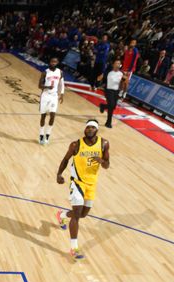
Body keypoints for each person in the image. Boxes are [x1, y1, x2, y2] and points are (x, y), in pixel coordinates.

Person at [54, 120, 110, 260]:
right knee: (77, 215)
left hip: (92, 184)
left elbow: (107, 165)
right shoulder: (76, 144)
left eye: (92, 127)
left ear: (96, 130)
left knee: (83, 214)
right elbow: (65, 159)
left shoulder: (104, 144)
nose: (89, 129)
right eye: (87, 127)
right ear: (85, 129)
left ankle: (61, 215)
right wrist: (59, 174)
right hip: (77, 182)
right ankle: (74, 248)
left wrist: (102, 161)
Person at [38, 57, 64, 145]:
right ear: (50, 62)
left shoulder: (60, 72)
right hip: (45, 95)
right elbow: (39, 85)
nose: (53, 63)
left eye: (55, 62)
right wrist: (47, 87)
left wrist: (62, 94)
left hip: (54, 96)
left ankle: (47, 135)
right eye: (52, 61)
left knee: (52, 115)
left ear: (57, 63)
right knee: (43, 116)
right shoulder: (45, 72)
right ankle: (41, 135)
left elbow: (61, 83)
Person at [99, 60, 125, 128]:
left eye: (119, 63)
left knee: (113, 106)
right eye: (116, 63)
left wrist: (122, 91)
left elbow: (123, 82)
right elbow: (99, 78)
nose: (118, 64)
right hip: (108, 90)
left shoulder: (121, 73)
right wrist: (100, 77)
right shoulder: (108, 72)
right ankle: (108, 122)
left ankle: (103, 106)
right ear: (113, 65)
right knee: (111, 105)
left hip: (116, 91)